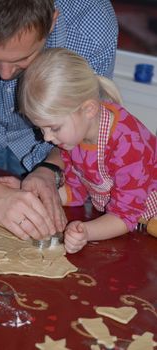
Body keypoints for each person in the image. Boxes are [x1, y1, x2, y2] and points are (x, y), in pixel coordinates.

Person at [0, 0, 118, 240]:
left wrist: (51, 169)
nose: (5, 75)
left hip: (53, 143)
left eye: (23, 59)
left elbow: (89, 124)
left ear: (51, 23)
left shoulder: (90, 22)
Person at [16, 48, 156, 253]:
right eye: (41, 129)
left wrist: (85, 232)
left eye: (53, 128)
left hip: (146, 224)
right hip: (127, 227)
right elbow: (76, 191)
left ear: (88, 109)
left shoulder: (127, 144)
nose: (46, 138)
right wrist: (36, 200)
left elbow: (124, 216)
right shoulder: (74, 136)